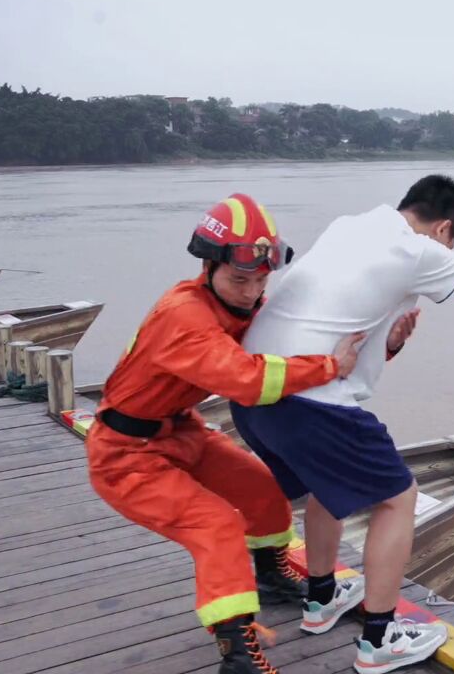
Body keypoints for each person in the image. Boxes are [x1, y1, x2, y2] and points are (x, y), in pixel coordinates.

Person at [230, 174, 454, 673]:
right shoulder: (415, 250)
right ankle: (380, 638)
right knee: (399, 498)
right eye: (451, 243)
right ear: (443, 230)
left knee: (322, 488)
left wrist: (390, 341)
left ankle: (321, 598)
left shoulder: (348, 228)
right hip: (312, 402)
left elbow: (333, 321)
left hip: (254, 395)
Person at [85, 193, 364, 674]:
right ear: (210, 266)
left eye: (261, 280)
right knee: (216, 526)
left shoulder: (237, 307)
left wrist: (381, 340)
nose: (252, 291)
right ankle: (237, 654)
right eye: (240, 279)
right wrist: (329, 366)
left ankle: (269, 577)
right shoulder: (184, 316)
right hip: (126, 454)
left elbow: (292, 335)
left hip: (181, 433)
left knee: (263, 494)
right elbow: (250, 381)